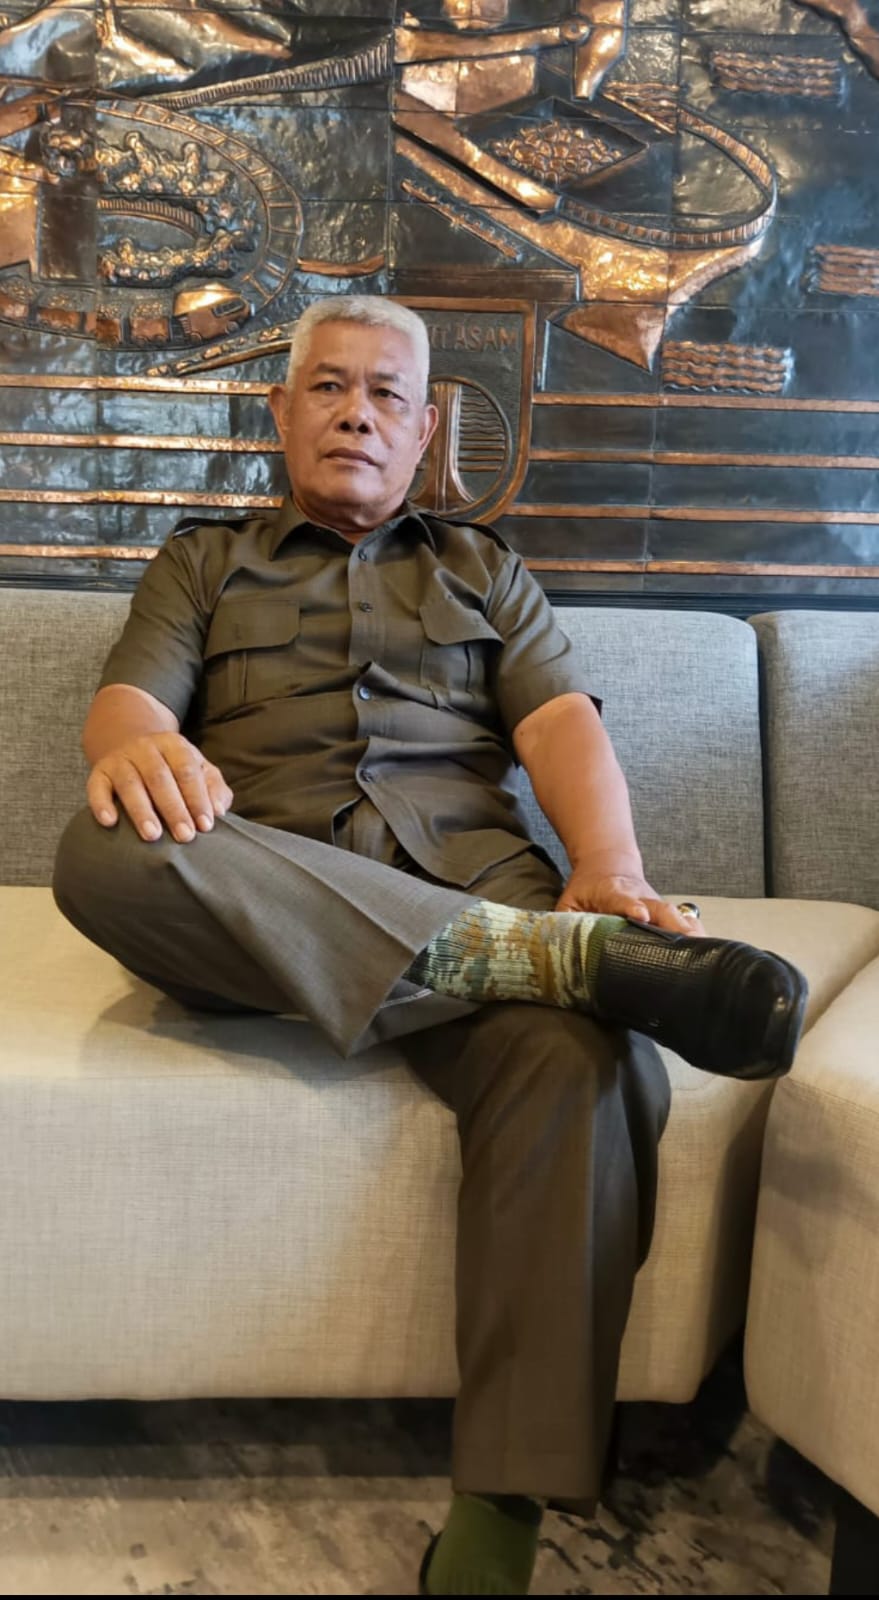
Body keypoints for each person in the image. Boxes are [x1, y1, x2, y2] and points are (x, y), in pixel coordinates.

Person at [53, 295, 806, 1597]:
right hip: (265, 900)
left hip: (476, 879)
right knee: (100, 849)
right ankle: (549, 965)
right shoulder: (205, 562)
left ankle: (495, 1531)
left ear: (422, 433)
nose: (357, 413)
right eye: (329, 387)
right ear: (282, 412)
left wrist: (609, 869)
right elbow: (131, 703)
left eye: (386, 396)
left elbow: (558, 724)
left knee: (578, 1062)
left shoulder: (484, 571)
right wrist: (133, 751)